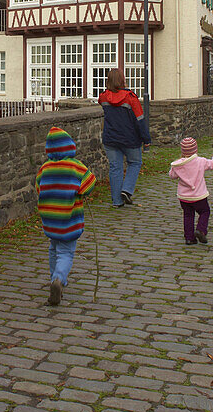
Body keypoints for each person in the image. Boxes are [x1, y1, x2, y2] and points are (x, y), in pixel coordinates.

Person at [35, 127, 96, 306]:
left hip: (50, 219)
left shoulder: (45, 168)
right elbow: (90, 182)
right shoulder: (76, 166)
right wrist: (81, 192)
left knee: (53, 248)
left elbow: (39, 187)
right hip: (69, 219)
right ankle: (59, 279)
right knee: (66, 252)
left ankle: (55, 277)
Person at [98, 69, 151, 207]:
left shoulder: (103, 97)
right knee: (135, 163)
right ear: (122, 80)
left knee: (115, 168)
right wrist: (146, 139)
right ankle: (126, 190)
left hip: (110, 138)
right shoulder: (130, 98)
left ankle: (117, 201)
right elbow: (140, 120)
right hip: (130, 139)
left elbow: (102, 103)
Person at [169, 138, 213, 245]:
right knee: (205, 211)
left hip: (184, 197)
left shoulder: (178, 165)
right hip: (199, 196)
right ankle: (201, 230)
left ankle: (189, 237)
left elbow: (172, 176)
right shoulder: (201, 161)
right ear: (195, 150)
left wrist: (176, 166)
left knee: (188, 215)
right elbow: (212, 164)